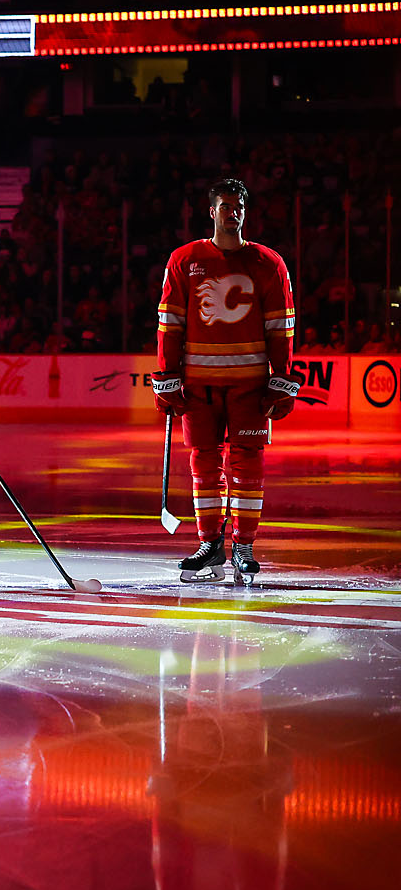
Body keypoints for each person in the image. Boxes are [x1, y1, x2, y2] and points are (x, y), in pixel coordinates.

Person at [154, 178, 297, 585]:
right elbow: (170, 321)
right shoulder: (185, 260)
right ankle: (210, 543)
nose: (231, 212)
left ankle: (245, 546)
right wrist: (166, 375)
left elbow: (280, 326)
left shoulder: (268, 263)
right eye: (225, 205)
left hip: (250, 386)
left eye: (238, 206)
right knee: (204, 463)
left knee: (247, 465)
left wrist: (281, 377)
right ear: (211, 211)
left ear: (245, 213)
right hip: (198, 386)